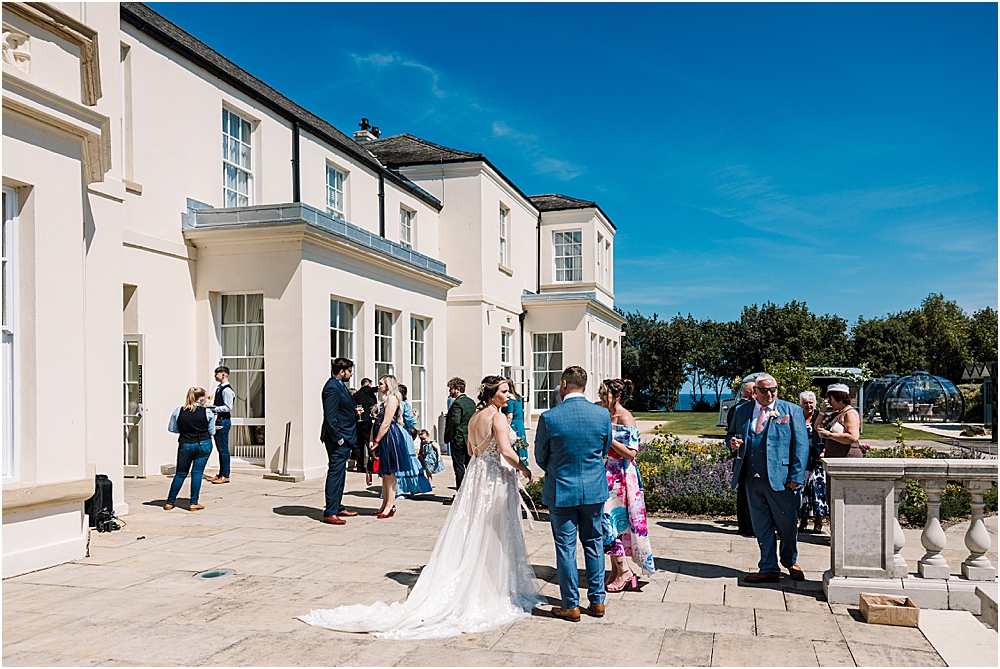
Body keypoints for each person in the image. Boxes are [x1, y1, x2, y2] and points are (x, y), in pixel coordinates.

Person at [299, 376, 542, 639]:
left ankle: (481, 581)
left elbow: (472, 451)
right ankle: (491, 588)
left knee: (475, 529)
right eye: (505, 391)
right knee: (495, 531)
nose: (509, 395)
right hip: (494, 481)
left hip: (478, 477)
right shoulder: (497, 418)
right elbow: (506, 451)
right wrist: (524, 467)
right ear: (492, 394)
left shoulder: (475, 418)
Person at [535, 366, 613, 622]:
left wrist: (558, 470)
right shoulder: (602, 415)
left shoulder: (549, 417)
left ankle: (571, 604)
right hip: (593, 489)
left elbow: (540, 457)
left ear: (564, 384)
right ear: (585, 386)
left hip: (561, 490)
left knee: (566, 547)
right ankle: (598, 600)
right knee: (593, 544)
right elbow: (603, 451)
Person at [726, 373, 809, 583]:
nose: (770, 394)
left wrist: (796, 476)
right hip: (752, 478)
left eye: (773, 389)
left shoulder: (791, 411)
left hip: (782, 479)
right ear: (755, 392)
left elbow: (801, 446)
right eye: (764, 390)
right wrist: (732, 443)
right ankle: (769, 567)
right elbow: (731, 435)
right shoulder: (742, 411)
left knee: (787, 525)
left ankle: (790, 560)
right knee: (761, 526)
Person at [598, 378, 655, 591]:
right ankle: (617, 569)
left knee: (613, 523)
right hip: (605, 473)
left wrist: (608, 439)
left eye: (605, 394)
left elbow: (632, 453)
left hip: (621, 476)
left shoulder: (625, 417)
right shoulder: (604, 413)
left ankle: (624, 571)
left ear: (617, 396)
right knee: (607, 523)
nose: (601, 398)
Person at [320, 358, 360, 525]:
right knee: (335, 473)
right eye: (349, 371)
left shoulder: (339, 385)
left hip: (346, 436)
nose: (351, 374)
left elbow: (341, 410)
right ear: (342, 371)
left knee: (341, 473)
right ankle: (330, 512)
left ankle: (337, 506)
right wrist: (339, 439)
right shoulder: (331, 387)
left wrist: (353, 410)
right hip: (337, 439)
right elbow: (330, 417)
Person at [165, 387, 216, 511]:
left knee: (180, 473)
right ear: (201, 398)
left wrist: (184, 430)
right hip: (203, 443)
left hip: (186, 443)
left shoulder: (179, 410)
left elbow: (172, 428)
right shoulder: (207, 412)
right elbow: (212, 431)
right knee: (197, 473)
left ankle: (170, 502)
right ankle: (193, 502)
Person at [369, 375, 412, 518]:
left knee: (390, 473)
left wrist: (376, 441)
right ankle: (384, 504)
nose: (378, 385)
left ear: (388, 385)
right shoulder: (383, 399)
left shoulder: (392, 399)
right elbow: (376, 421)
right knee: (384, 473)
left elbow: (386, 423)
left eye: (381, 383)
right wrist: (372, 439)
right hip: (381, 436)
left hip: (389, 437)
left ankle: (390, 505)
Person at [727, 381, 756, 537]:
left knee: (743, 495)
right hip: (743, 457)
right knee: (746, 495)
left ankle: (744, 526)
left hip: (740, 458)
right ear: (752, 392)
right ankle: (748, 526)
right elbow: (732, 433)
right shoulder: (739, 410)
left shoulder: (734, 408)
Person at [798, 390, 828, 534]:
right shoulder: (797, 417)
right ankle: (803, 521)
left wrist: (824, 451)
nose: (809, 405)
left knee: (817, 491)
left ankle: (818, 522)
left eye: (811, 402)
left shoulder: (821, 417)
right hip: (802, 460)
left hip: (817, 459)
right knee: (803, 491)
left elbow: (829, 437)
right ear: (801, 404)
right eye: (806, 403)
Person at [395, 384, 432, 496]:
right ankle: (411, 487)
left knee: (397, 461)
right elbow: (411, 423)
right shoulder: (404, 405)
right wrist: (416, 417)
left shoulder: (388, 403)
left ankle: (397, 489)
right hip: (403, 433)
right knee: (408, 459)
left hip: (392, 433)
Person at [816, 383, 863, 459]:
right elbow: (817, 427)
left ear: (840, 399)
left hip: (848, 458)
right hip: (834, 458)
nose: (829, 403)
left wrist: (829, 435)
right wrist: (822, 411)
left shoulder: (850, 413)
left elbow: (853, 437)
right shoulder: (836, 414)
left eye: (831, 399)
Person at [444, 377, 475, 490]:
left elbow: (455, 423)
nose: (449, 392)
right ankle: (472, 490)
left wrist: (453, 438)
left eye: (451, 389)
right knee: (469, 466)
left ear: (457, 389)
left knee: (459, 467)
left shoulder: (457, 403)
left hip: (459, 440)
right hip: (469, 439)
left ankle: (461, 492)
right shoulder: (471, 402)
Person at [208, 366, 235, 484]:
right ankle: (221, 473)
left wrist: (213, 409)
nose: (215, 376)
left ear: (223, 375)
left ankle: (225, 475)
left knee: (223, 449)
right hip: (219, 420)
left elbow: (228, 407)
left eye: (216, 374)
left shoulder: (227, 390)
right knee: (220, 449)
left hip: (223, 421)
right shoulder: (220, 388)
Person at [502, 377, 529, 468]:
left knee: (513, 446)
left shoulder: (509, 400)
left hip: (513, 424)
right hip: (520, 424)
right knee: (519, 446)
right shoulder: (518, 397)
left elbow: (510, 415)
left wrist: (505, 427)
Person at [353, 378, 378, 473]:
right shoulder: (367, 390)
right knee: (369, 443)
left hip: (357, 421)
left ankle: (359, 466)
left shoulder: (356, 395)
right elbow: (372, 389)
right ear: (368, 384)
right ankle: (371, 466)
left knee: (359, 444)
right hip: (366, 421)